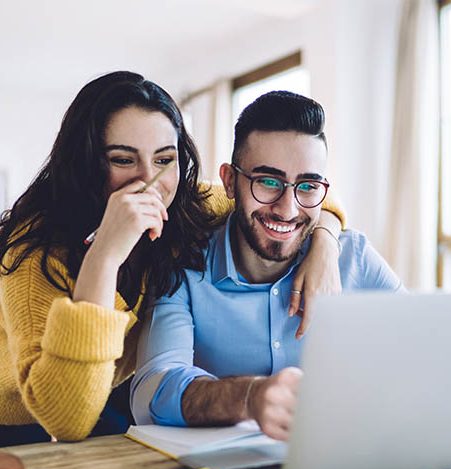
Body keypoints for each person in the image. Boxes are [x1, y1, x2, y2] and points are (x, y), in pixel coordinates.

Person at [0, 73, 345, 446]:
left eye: (164, 159)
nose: (149, 181)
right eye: (123, 159)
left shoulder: (186, 204)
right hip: (25, 411)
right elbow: (65, 419)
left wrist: (325, 245)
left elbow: (295, 200)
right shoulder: (34, 254)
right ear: (85, 163)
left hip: (113, 381)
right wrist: (104, 256)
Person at [132, 90, 404, 441]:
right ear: (230, 181)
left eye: (307, 186)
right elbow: (151, 390)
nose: (287, 209)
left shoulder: (354, 259)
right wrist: (248, 397)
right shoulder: (185, 266)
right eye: (268, 182)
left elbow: (425, 350)